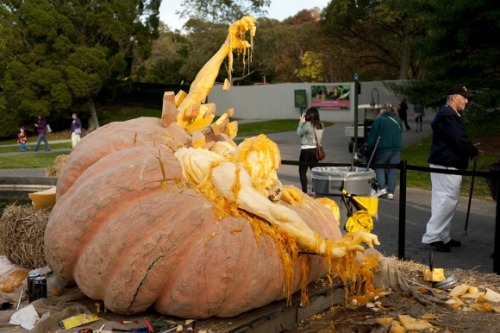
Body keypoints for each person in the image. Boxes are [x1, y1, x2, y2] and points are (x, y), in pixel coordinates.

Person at [422, 85, 482, 252]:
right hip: (446, 163)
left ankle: (442, 236)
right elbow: (457, 139)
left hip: (444, 161)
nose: (467, 101)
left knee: (443, 200)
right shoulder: (449, 115)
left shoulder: (448, 114)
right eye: (465, 97)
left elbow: (455, 139)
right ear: (455, 97)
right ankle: (433, 236)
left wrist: (469, 147)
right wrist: (472, 150)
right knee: (446, 200)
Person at [364, 103, 402, 200]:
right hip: (396, 147)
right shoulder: (397, 119)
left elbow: (373, 135)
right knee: (393, 168)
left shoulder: (379, 120)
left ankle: (381, 188)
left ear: (383, 110)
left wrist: (367, 146)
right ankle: (391, 191)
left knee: (379, 166)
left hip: (383, 147)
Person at [297, 107, 324, 193]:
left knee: (302, 172)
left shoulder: (307, 125)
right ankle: (314, 190)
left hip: (306, 151)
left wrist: (301, 123)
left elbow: (298, 132)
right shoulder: (321, 125)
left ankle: (305, 192)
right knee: (314, 172)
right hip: (316, 151)